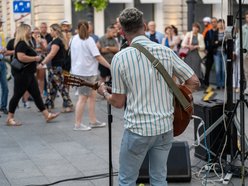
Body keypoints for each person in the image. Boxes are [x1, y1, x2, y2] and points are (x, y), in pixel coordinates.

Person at [97, 8, 200, 185]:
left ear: (122, 32)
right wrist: (178, 93)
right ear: (144, 26)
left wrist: (104, 92)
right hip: (165, 127)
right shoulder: (165, 51)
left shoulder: (120, 58)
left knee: (127, 179)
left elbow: (119, 102)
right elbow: (194, 81)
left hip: (138, 129)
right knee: (159, 178)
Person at [6, 23, 59, 126]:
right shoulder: (21, 43)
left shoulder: (27, 43)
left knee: (36, 95)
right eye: (29, 30)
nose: (31, 32)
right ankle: (9, 118)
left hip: (29, 74)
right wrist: (35, 58)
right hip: (22, 75)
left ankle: (47, 115)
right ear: (24, 31)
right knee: (17, 96)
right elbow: (21, 57)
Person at [70, 20, 110, 131]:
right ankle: (77, 124)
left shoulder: (73, 39)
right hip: (87, 73)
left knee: (92, 96)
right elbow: (98, 56)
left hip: (80, 71)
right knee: (83, 98)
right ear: (88, 28)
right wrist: (110, 66)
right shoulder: (89, 40)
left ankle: (93, 121)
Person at [37, 23, 73, 112]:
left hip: (56, 67)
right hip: (52, 67)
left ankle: (68, 104)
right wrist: (41, 43)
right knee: (51, 86)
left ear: (56, 31)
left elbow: (52, 54)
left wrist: (42, 63)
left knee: (61, 86)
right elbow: (47, 50)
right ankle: (49, 104)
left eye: (52, 30)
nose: (50, 32)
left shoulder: (57, 41)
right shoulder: (55, 40)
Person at [204, 17, 218, 88]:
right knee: (208, 68)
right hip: (209, 52)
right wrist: (206, 49)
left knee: (219, 69)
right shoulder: (208, 32)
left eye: (214, 22)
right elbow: (205, 41)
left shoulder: (219, 31)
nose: (213, 23)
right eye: (212, 22)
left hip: (217, 52)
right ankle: (206, 83)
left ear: (217, 23)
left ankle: (220, 84)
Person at [213, 19, 226, 89]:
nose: (221, 25)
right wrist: (221, 42)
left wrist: (218, 42)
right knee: (218, 70)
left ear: (224, 24)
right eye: (219, 23)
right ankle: (218, 84)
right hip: (217, 53)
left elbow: (226, 43)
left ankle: (223, 84)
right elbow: (213, 43)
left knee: (224, 70)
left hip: (224, 52)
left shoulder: (226, 33)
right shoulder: (215, 33)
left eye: (222, 23)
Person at [0, 19, 8, 115]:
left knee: (5, 87)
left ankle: (3, 106)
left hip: (2, 62)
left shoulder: (1, 35)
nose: (1, 25)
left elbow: (3, 47)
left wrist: (4, 50)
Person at [243, 11, 248, 94]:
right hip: (245, 52)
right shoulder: (243, 27)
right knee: (246, 71)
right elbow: (239, 41)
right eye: (247, 17)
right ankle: (247, 87)